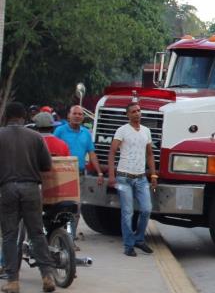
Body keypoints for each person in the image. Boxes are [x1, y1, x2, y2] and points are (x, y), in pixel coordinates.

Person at [0, 102, 57, 293]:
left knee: (9, 235)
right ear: (24, 117)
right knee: (37, 233)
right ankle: (47, 276)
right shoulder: (36, 137)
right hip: (32, 189)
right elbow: (47, 166)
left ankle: (13, 281)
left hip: (7, 189)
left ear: (6, 117)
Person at [107, 102, 157, 257]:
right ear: (128, 115)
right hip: (124, 178)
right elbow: (112, 152)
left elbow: (149, 154)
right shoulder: (122, 130)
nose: (137, 113)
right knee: (127, 212)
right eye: (133, 111)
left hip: (141, 178)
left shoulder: (146, 131)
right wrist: (111, 175)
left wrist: (153, 175)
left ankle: (139, 239)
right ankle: (129, 245)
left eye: (139, 110)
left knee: (147, 209)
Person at [54, 104, 104, 238]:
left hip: (79, 176)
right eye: (74, 114)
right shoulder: (60, 131)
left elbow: (92, 154)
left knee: (76, 208)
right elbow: (52, 150)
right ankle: (58, 236)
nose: (77, 116)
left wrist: (99, 172)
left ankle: (71, 238)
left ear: (83, 117)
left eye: (80, 114)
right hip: (62, 175)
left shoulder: (86, 133)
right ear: (69, 116)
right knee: (61, 207)